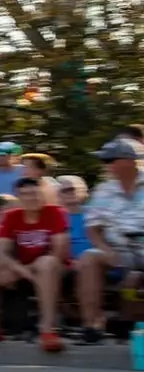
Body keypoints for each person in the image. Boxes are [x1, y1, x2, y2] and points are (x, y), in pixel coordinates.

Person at [0, 176, 69, 353]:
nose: (31, 198)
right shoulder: (11, 216)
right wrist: (19, 270)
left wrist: (25, 270)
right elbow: (0, 251)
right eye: (25, 195)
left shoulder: (55, 212)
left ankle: (48, 330)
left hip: (52, 268)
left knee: (46, 262)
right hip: (22, 268)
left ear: (43, 194)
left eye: (35, 193)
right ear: (18, 197)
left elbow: (59, 251)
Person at [76, 139, 144, 345]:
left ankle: (129, 322)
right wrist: (105, 249)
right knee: (89, 258)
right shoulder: (103, 190)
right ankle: (92, 326)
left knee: (135, 277)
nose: (106, 165)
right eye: (104, 161)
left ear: (130, 161)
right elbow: (92, 227)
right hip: (118, 250)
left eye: (110, 160)